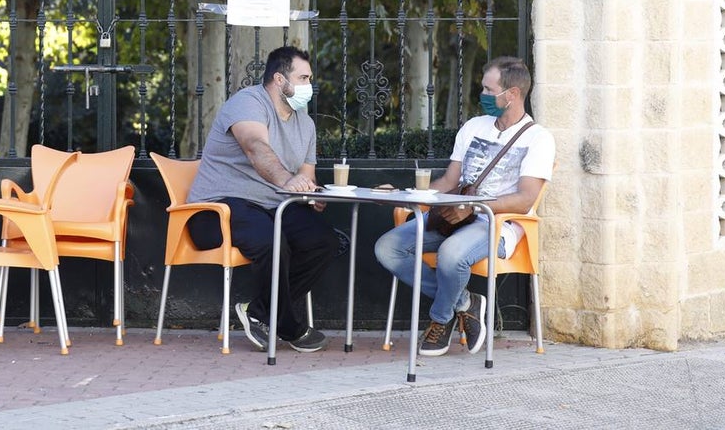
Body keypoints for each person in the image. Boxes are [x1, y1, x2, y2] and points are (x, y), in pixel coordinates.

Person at [374, 56, 555, 356]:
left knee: (451, 254)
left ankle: (440, 319)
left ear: (511, 95)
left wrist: (473, 207)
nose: (482, 95)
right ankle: (466, 303)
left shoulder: (539, 139)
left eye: (488, 89)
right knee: (388, 247)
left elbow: (525, 200)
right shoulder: (474, 127)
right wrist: (403, 194)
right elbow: (448, 181)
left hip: (498, 225)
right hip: (453, 219)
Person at [186, 45, 339, 353]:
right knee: (273, 240)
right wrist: (287, 180)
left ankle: (258, 311)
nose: (310, 86)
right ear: (280, 80)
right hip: (217, 208)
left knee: (326, 241)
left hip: (272, 206)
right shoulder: (248, 103)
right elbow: (255, 146)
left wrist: (311, 195)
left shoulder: (305, 124)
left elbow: (306, 177)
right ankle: (289, 326)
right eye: (303, 78)